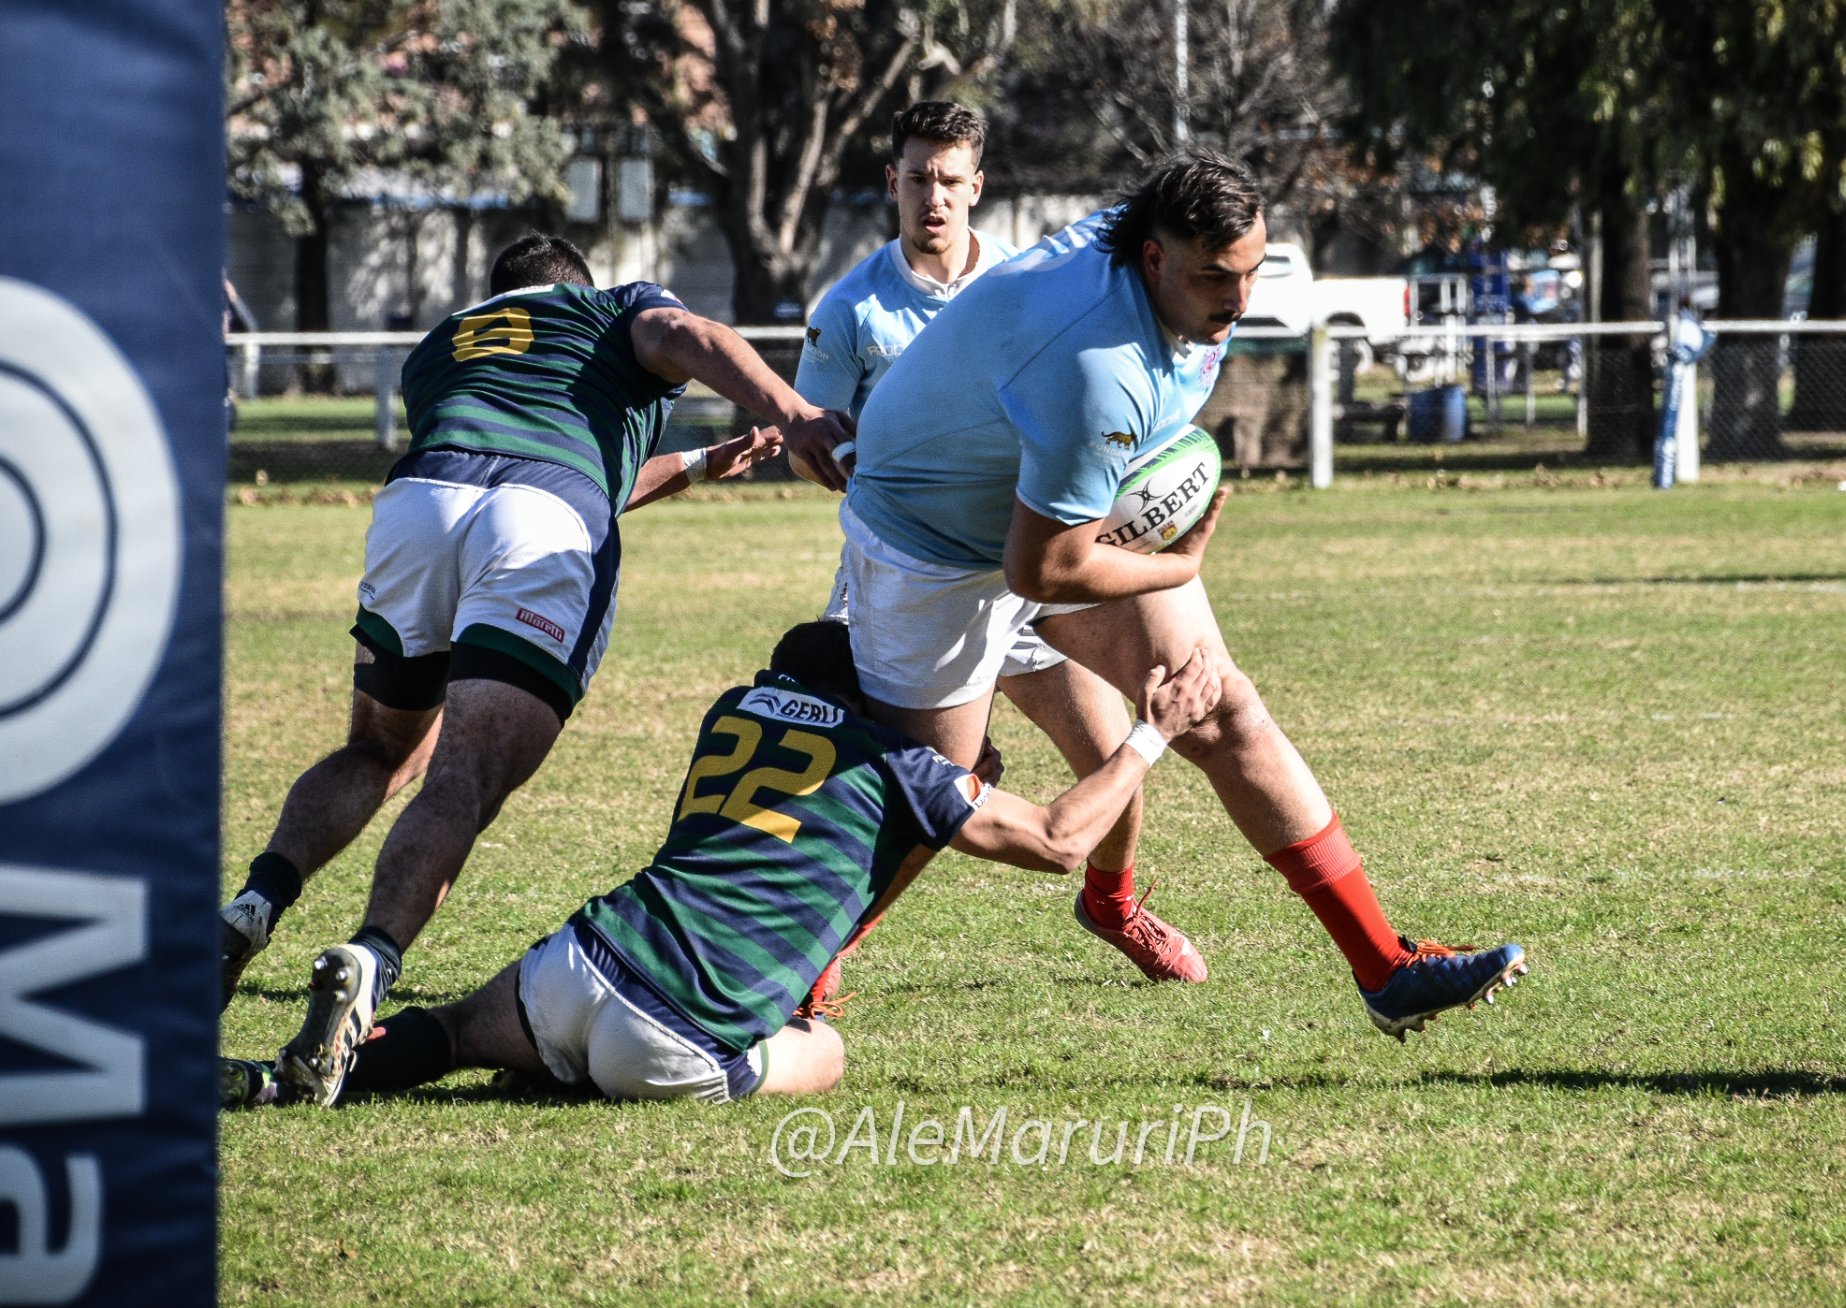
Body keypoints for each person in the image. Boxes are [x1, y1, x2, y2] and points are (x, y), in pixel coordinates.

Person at [813, 148, 1527, 1043]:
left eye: (1252, 272)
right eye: (1214, 278)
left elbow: (1062, 536)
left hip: (1045, 506)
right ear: (1154, 261)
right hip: (932, 551)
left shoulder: (1171, 274)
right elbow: (1042, 569)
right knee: (943, 793)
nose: (1237, 299)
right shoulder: (1094, 364)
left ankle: (1385, 966)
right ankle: (796, 974)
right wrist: (1174, 567)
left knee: (1221, 707)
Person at [218, 232, 854, 1105]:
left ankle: (252, 905)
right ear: (574, 286)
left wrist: (701, 464)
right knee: (462, 773)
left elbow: (559, 464)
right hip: (537, 522)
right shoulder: (607, 306)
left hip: (420, 504)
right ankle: (371, 958)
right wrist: (792, 411)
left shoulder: (442, 347)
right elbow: (686, 337)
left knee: (376, 749)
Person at [220, 621, 1223, 1107]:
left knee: (444, 1033)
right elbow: (1054, 839)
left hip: (585, 958)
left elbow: (811, 820)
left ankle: (281, 1084)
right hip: (681, 1039)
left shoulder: (729, 713)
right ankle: (587, 1077)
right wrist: (1148, 734)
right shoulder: (897, 759)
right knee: (823, 1051)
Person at [796, 100, 1204, 993]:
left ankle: (1113, 902)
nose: (932, 197)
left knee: (1112, 767)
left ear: (977, 186)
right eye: (916, 178)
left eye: (950, 179)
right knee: (918, 785)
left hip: (1027, 563)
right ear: (892, 184)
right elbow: (811, 439)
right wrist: (836, 448)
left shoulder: (1022, 287)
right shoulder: (852, 308)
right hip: (917, 569)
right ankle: (830, 945)